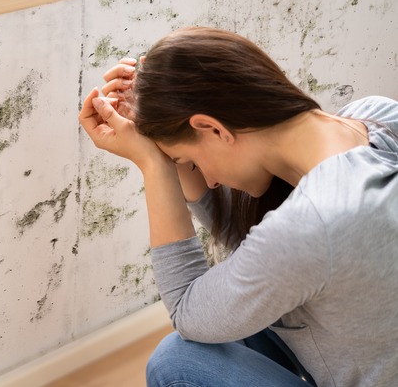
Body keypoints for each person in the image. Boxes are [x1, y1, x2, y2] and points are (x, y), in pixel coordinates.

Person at [78, 26, 398, 387]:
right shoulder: (377, 116)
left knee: (177, 362)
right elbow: (259, 243)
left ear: (212, 128)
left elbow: (188, 310)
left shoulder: (313, 225)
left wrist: (154, 165)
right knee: (239, 314)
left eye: (191, 160)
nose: (211, 181)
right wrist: (160, 119)